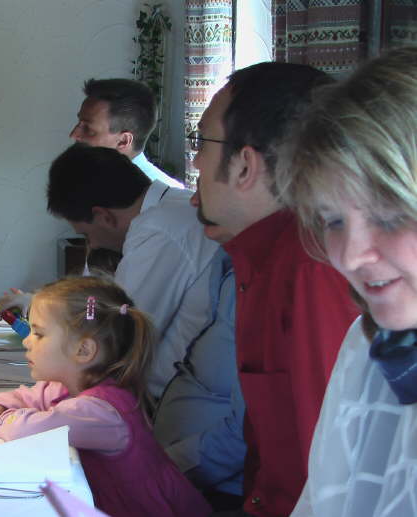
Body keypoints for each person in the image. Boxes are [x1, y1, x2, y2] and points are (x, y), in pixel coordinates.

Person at [192, 62, 360, 517]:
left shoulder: (310, 269)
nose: (196, 164)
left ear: (245, 165)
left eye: (201, 143)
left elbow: (332, 478)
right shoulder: (260, 257)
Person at [276, 46, 417, 517]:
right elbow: (320, 502)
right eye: (333, 220)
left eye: (390, 215)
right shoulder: (371, 346)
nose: (352, 256)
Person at [0, 276, 212, 517]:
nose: (26, 341)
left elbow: (27, 429)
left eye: (39, 334)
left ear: (83, 350)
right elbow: (25, 396)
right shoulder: (65, 387)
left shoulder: (99, 412)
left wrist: (3, 417)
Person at [47, 143, 218, 398]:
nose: (93, 245)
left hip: (164, 403)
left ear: (104, 216)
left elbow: (113, 335)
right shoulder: (171, 206)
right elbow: (92, 303)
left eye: (87, 235)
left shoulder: (157, 229)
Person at [154, 186, 246, 512]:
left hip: (213, 489)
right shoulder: (227, 256)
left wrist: (156, 474)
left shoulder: (154, 228)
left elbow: (248, 429)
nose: (193, 199)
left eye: (204, 181)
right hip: (173, 457)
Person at [70, 78, 184, 189]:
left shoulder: (168, 196)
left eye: (88, 129)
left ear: (123, 141)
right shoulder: (84, 176)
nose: (73, 135)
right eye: (79, 122)